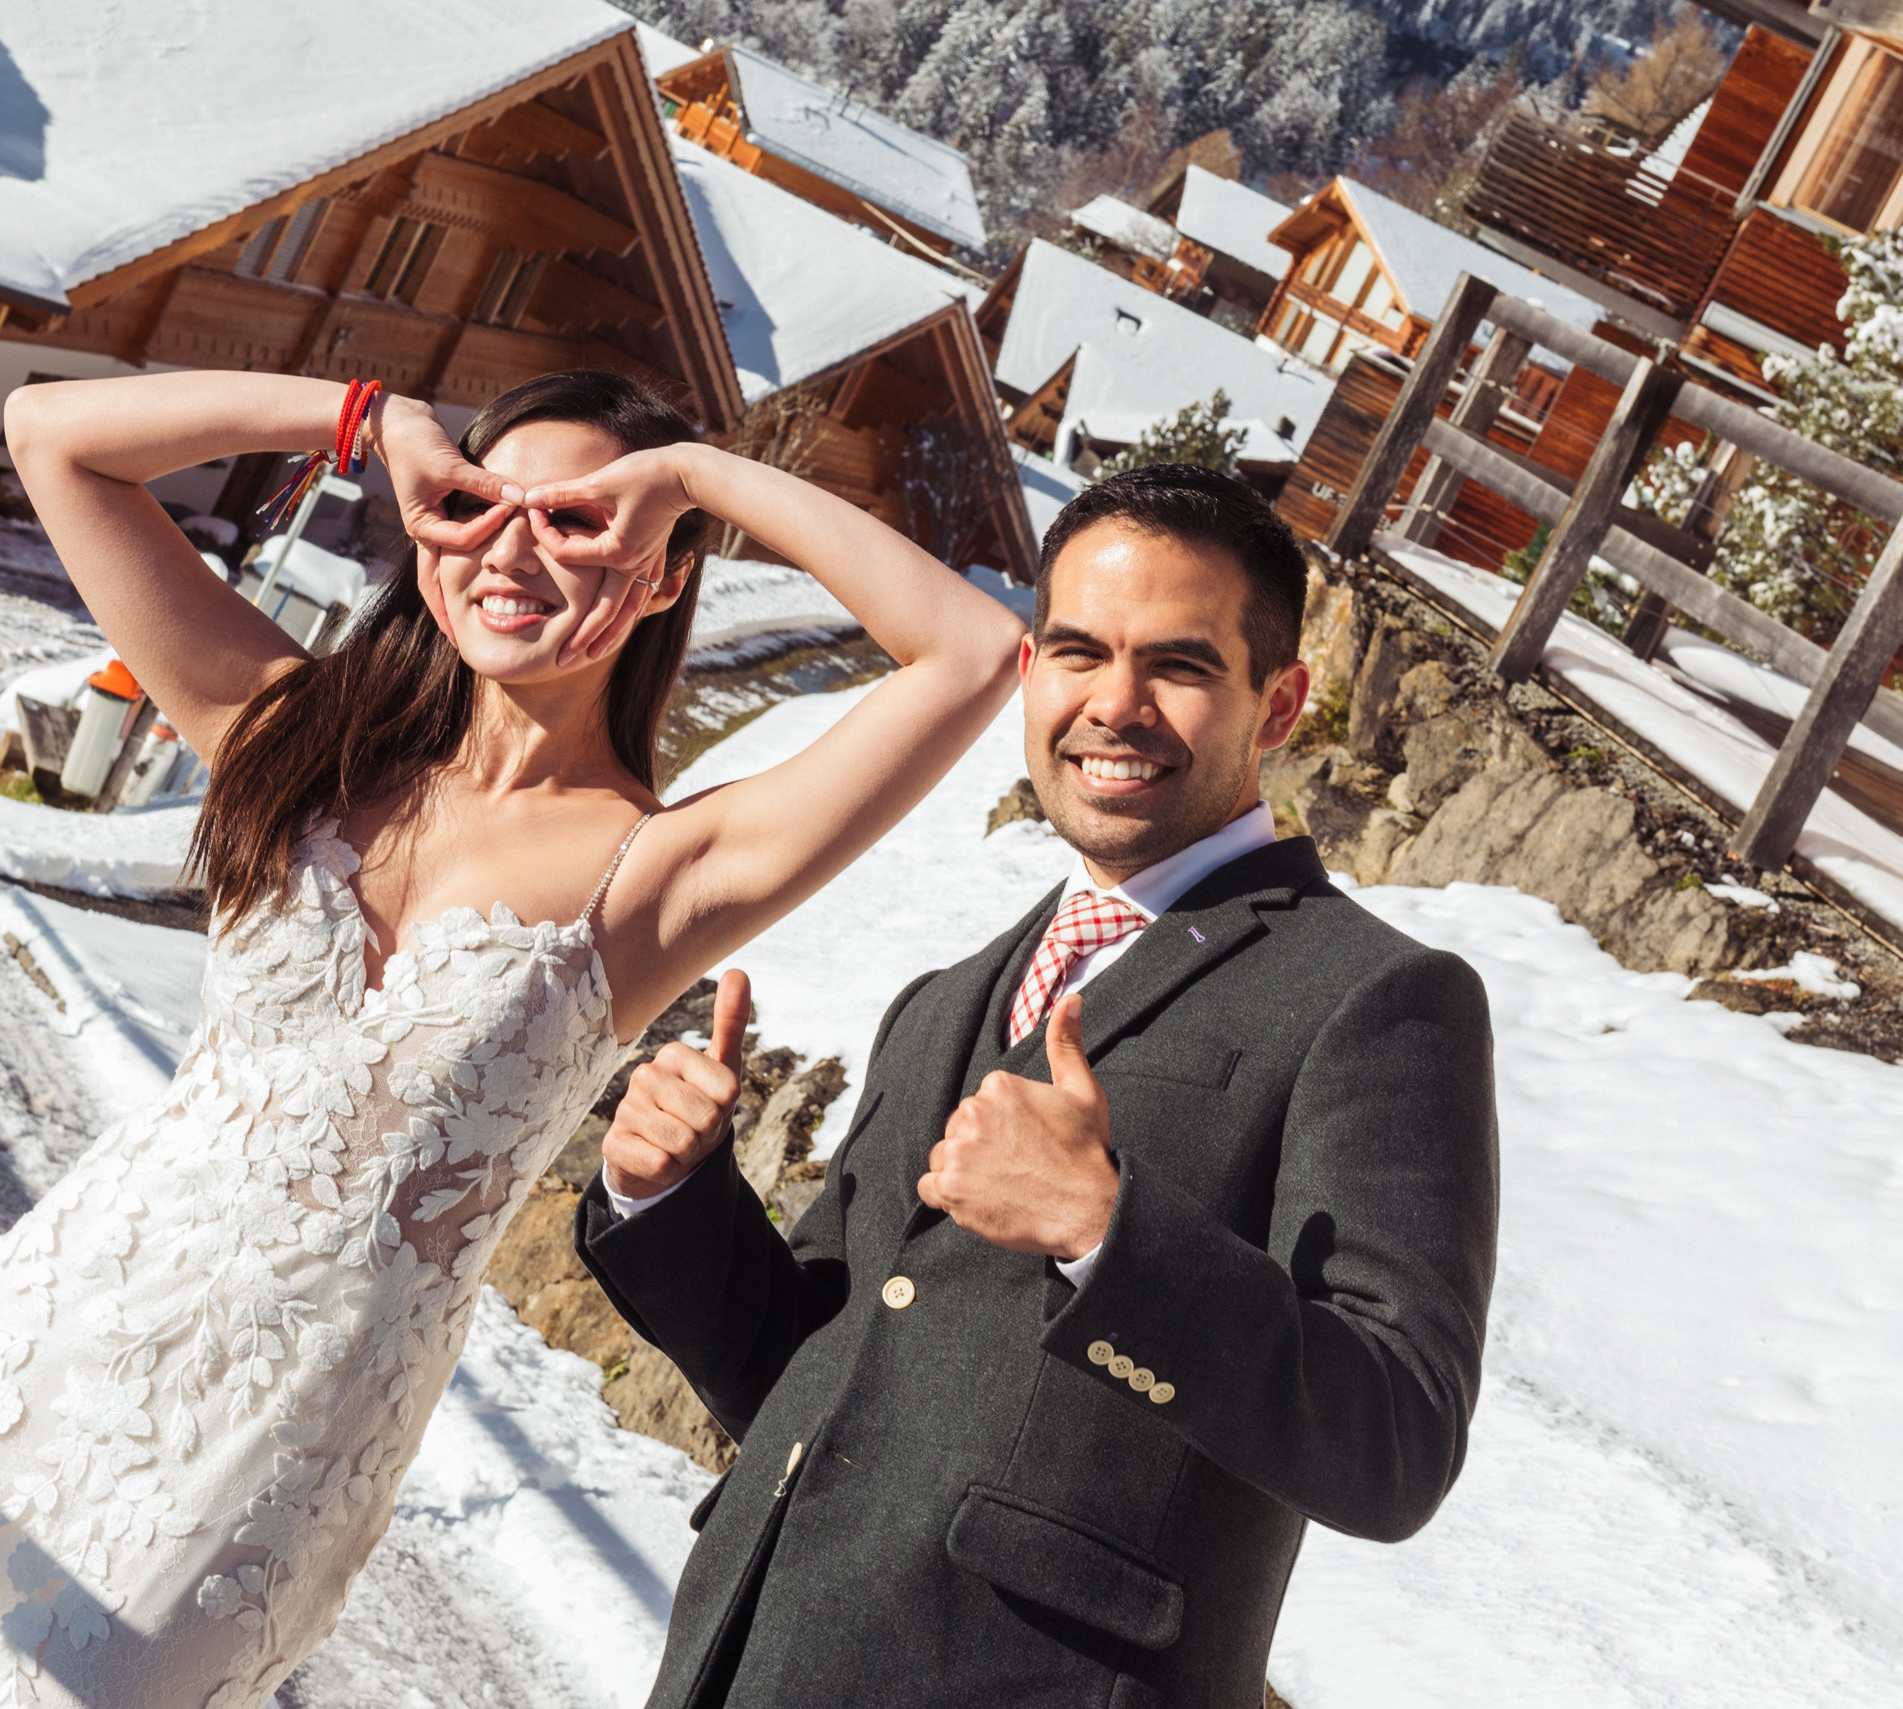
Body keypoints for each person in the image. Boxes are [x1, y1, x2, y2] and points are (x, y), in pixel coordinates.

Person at [0, 368, 1025, 1709]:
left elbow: (975, 652)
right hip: (45, 1339)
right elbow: (53, 438)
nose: (513, 547)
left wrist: (690, 475)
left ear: (658, 576)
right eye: (476, 505)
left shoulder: (655, 873)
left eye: (578, 523)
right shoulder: (296, 737)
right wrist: (372, 421)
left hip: (263, 1447)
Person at [580, 464, 1501, 1709]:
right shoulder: (945, 996)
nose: (1113, 705)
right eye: (1077, 651)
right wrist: (672, 1197)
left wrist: (1104, 1231)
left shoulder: (1378, 1000)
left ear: (1278, 706)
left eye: (1177, 665)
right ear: (1030, 672)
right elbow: (811, 1374)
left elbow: (1396, 1442)